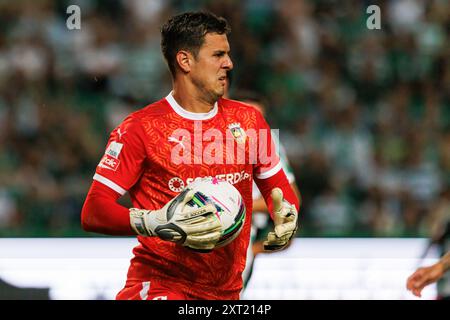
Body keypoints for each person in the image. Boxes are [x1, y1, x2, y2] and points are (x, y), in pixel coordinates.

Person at [81, 11, 300, 300]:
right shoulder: (140, 129)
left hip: (227, 292)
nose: (229, 64)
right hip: (162, 286)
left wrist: (285, 218)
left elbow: (283, 195)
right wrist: (155, 222)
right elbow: (93, 211)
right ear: (185, 61)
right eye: (218, 54)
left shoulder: (249, 122)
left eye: (228, 54)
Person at [228, 90, 301, 289]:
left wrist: (234, 208)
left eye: (259, 118)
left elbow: (290, 198)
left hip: (241, 237)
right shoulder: (208, 141)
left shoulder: (266, 142)